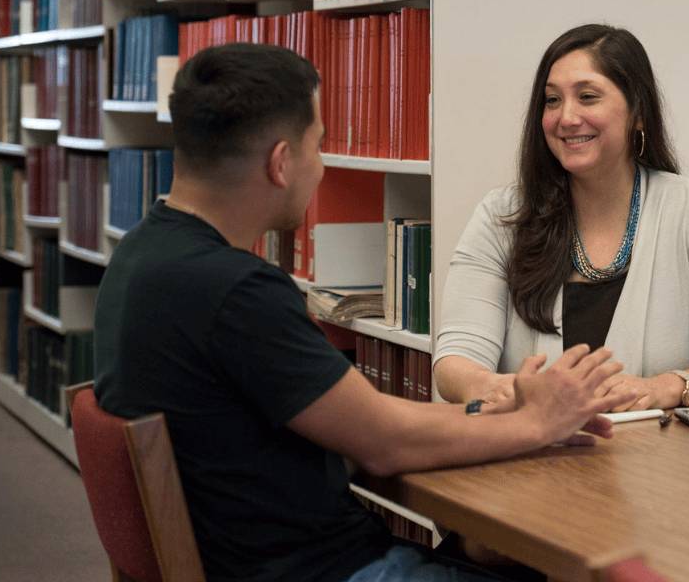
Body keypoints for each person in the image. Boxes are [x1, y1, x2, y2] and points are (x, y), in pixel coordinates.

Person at [92, 43, 635, 582]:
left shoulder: (142, 256)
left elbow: (365, 418)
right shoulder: (235, 291)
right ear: (281, 163)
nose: (322, 167)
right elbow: (383, 442)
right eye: (318, 146)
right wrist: (539, 423)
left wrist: (501, 414)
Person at [433, 24, 689, 412]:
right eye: (551, 100)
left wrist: (665, 388)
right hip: (529, 459)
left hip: (658, 463)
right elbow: (454, 364)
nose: (566, 117)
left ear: (638, 113)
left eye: (587, 97)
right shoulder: (501, 218)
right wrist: (499, 387)